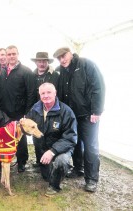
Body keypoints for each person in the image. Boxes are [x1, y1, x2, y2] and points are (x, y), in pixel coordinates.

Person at [53, 47, 105, 192]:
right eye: (59, 58)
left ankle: (92, 179)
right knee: (74, 143)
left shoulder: (86, 64)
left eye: (64, 56)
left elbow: (98, 87)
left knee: (91, 147)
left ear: (70, 53)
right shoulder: (60, 70)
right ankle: (78, 169)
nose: (62, 60)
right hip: (71, 116)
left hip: (88, 115)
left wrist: (96, 110)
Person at [0, 45, 36, 172]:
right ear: (6, 56)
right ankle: (2, 161)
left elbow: (31, 94)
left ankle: (21, 162)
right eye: (9, 54)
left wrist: (27, 113)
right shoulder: (1, 71)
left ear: (18, 54)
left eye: (14, 54)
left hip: (19, 112)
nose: (11, 56)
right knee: (3, 138)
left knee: (20, 138)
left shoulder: (26, 72)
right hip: (3, 112)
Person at [25, 83, 77, 196]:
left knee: (61, 162)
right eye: (43, 93)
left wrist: (53, 151)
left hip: (61, 150)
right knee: (47, 177)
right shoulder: (35, 109)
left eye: (49, 92)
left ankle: (54, 187)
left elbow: (70, 138)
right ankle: (51, 171)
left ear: (55, 93)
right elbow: (27, 127)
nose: (46, 95)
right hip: (43, 150)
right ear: (39, 95)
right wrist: (21, 125)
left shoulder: (66, 112)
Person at [30, 52, 60, 168]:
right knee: (37, 136)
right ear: (36, 62)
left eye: (44, 61)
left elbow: (59, 92)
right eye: (39, 61)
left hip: (52, 110)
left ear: (48, 62)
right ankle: (39, 161)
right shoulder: (31, 75)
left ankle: (52, 161)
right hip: (37, 111)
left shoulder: (55, 76)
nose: (42, 64)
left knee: (51, 134)